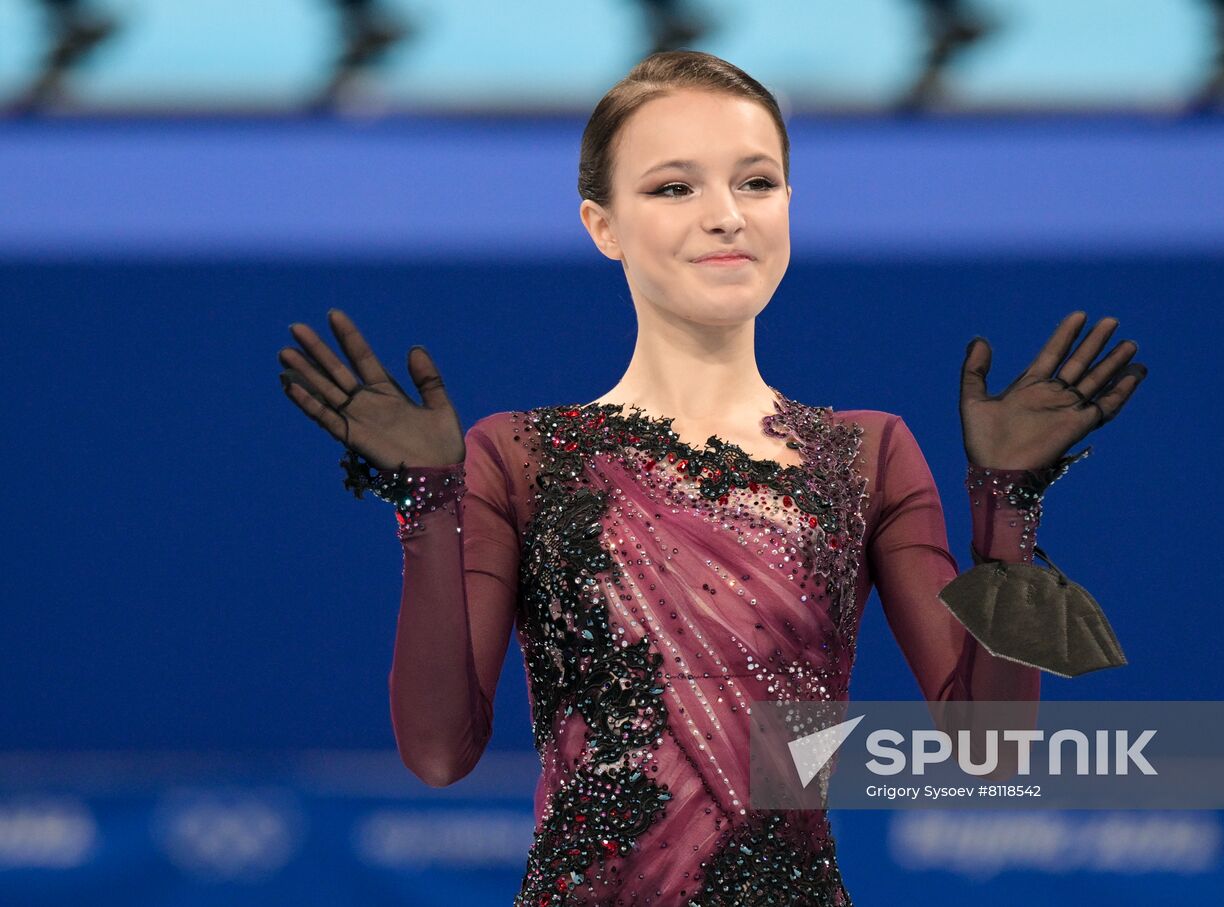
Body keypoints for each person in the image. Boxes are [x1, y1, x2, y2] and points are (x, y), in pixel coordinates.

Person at [277, 50, 1146, 905]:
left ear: (790, 207)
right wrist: (427, 505)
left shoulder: (869, 454)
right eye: (673, 187)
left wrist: (1009, 502)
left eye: (756, 182)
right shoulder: (520, 457)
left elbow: (989, 750)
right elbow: (439, 751)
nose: (727, 216)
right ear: (602, 224)